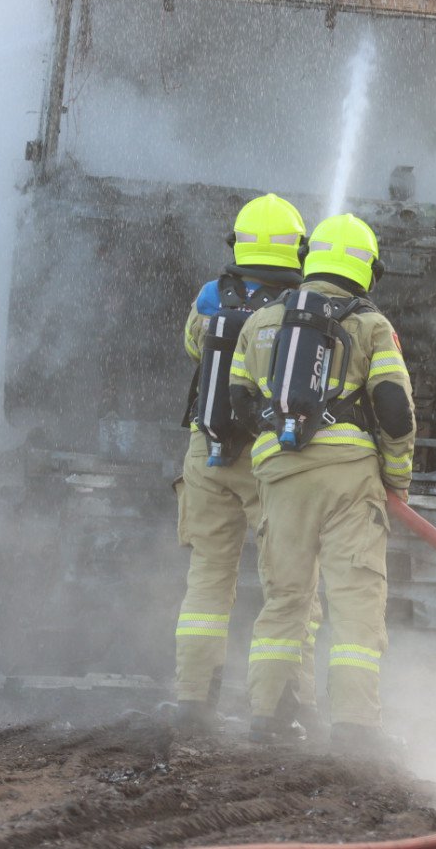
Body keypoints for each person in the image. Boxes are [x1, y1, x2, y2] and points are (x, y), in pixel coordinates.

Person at [231, 213, 415, 751]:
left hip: (280, 477)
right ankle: (355, 726)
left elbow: (238, 399)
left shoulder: (262, 321)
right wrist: (397, 480)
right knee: (355, 599)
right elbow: (394, 409)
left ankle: (267, 716)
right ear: (367, 269)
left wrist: (278, 445)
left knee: (285, 598)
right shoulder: (372, 325)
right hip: (348, 481)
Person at [174, 192, 321, 734]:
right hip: (269, 459)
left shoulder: (212, 295)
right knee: (290, 587)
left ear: (237, 243)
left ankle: (193, 699)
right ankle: (282, 707)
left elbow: (193, 347)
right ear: (298, 248)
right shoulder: (300, 307)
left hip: (208, 449)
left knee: (207, 584)